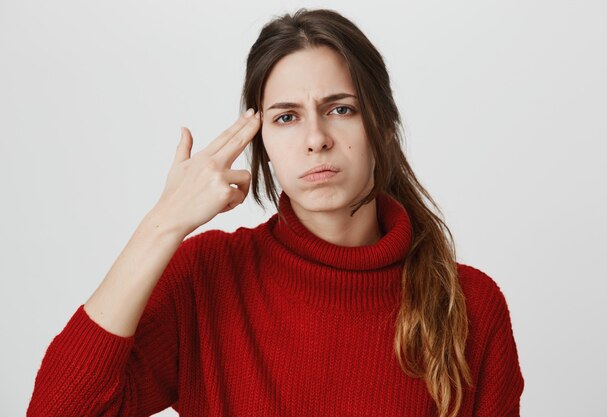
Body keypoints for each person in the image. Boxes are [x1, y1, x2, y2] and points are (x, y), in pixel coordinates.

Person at [27, 8, 524, 417]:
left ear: (384, 127)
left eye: (341, 108)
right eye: (286, 117)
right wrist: (164, 224)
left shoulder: (472, 306)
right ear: (260, 142)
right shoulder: (206, 278)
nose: (316, 139)